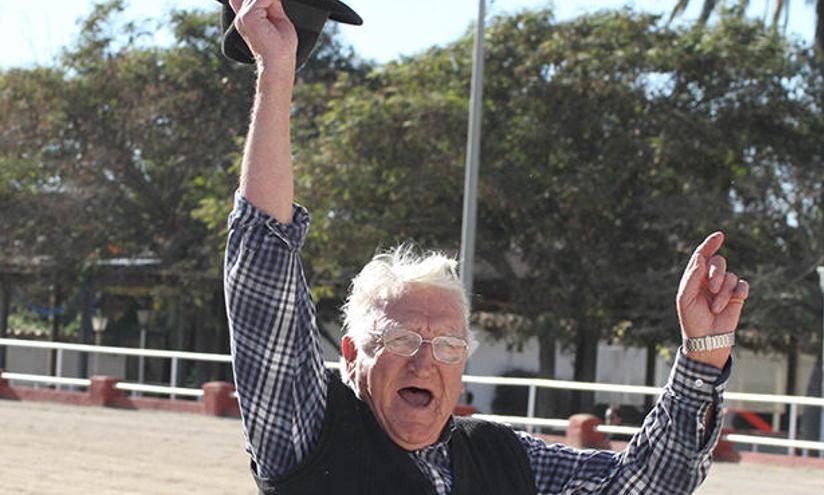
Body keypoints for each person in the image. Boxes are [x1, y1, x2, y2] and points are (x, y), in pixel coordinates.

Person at [223, 1, 750, 493]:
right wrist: (275, 72)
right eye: (403, 340)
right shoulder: (307, 431)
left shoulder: (503, 459)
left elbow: (644, 484)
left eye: (449, 346)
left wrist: (702, 355)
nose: (425, 362)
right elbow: (264, 276)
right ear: (351, 355)